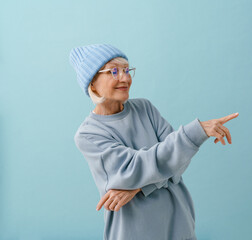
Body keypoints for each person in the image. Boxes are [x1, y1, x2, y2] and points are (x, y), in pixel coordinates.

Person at [69, 43, 238, 240]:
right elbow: (134, 168)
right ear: (92, 83)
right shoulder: (89, 134)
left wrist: (140, 187)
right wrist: (195, 133)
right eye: (113, 71)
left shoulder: (144, 108)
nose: (125, 78)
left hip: (180, 228)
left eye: (126, 70)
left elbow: (178, 161)